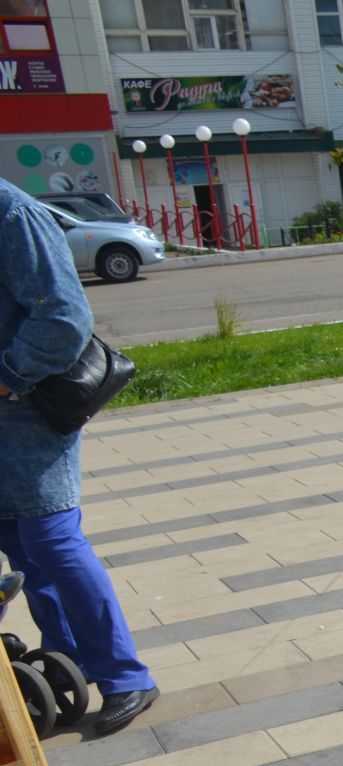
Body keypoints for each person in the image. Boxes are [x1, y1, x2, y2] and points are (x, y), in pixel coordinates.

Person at [0, 178, 159, 736]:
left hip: (25, 413)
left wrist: (7, 375)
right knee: (20, 549)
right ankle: (68, 665)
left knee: (51, 541)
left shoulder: (12, 213)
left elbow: (63, 318)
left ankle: (125, 676)